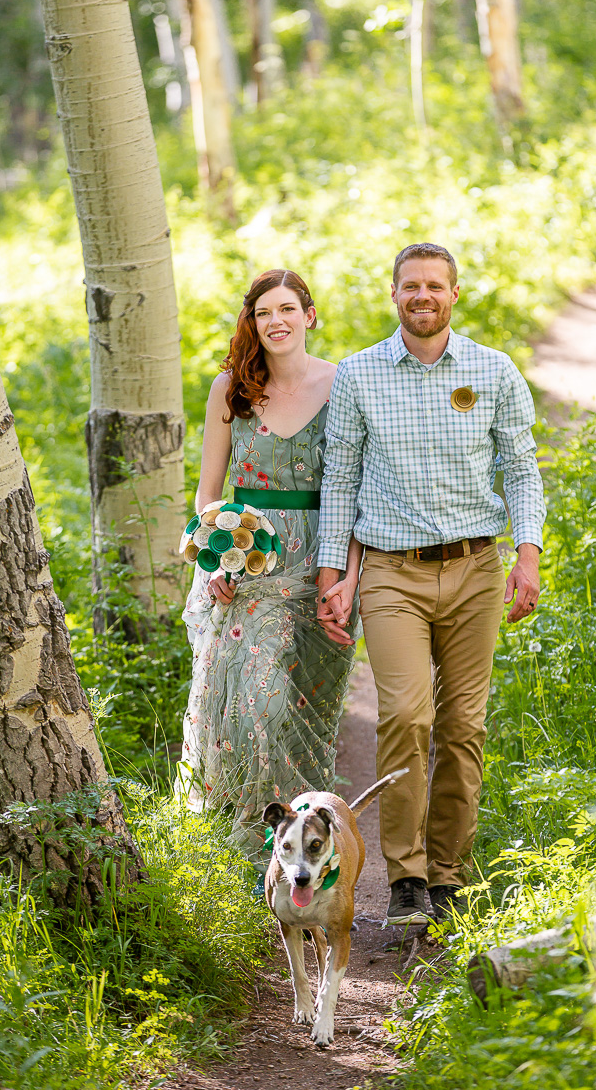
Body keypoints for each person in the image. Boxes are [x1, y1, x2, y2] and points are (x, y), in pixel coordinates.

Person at [317, 242, 545, 926]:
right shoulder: (357, 376)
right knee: (406, 716)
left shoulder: (493, 370)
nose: (422, 296)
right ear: (393, 295)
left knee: (463, 726)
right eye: (409, 286)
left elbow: (522, 469)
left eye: (434, 286)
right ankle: (405, 878)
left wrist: (526, 555)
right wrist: (334, 576)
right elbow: (340, 480)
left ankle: (447, 876)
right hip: (391, 573)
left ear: (453, 294)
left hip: (476, 570)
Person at [178, 269, 360, 885]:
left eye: (287, 309)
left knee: (306, 706)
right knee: (257, 700)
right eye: (262, 313)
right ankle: (254, 845)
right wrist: (213, 561)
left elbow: (356, 494)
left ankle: (308, 848)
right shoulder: (231, 389)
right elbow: (208, 493)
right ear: (252, 323)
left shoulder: (345, 385)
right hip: (250, 561)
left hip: (323, 559)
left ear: (310, 315)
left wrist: (349, 579)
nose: (275, 321)